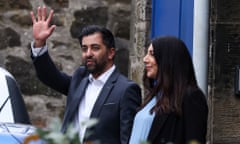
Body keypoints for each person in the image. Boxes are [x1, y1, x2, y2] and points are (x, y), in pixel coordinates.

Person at [29, 6, 142, 144]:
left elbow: (128, 138)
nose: (88, 53)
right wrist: (40, 44)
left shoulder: (126, 89)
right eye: (84, 48)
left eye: (95, 48)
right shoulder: (80, 77)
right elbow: (49, 77)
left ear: (111, 53)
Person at [129, 36, 208, 144]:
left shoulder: (191, 97)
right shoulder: (155, 95)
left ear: (168, 59)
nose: (145, 59)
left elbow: (194, 139)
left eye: (152, 54)